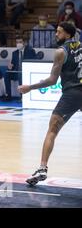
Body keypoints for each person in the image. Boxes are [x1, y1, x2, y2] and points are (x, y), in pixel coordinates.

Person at [19, 22, 82, 186]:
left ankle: (42, 168)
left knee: (52, 129)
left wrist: (29, 87)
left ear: (67, 35)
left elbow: (52, 80)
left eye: (59, 32)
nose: (56, 34)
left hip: (72, 94)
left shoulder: (61, 52)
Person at [2, 36, 36, 101]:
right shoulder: (14, 53)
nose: (18, 44)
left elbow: (34, 62)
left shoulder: (30, 51)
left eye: (20, 42)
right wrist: (10, 67)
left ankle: (22, 96)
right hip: (16, 72)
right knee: (6, 74)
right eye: (17, 42)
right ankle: (8, 95)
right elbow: (13, 65)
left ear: (24, 43)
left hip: (26, 73)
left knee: (20, 74)